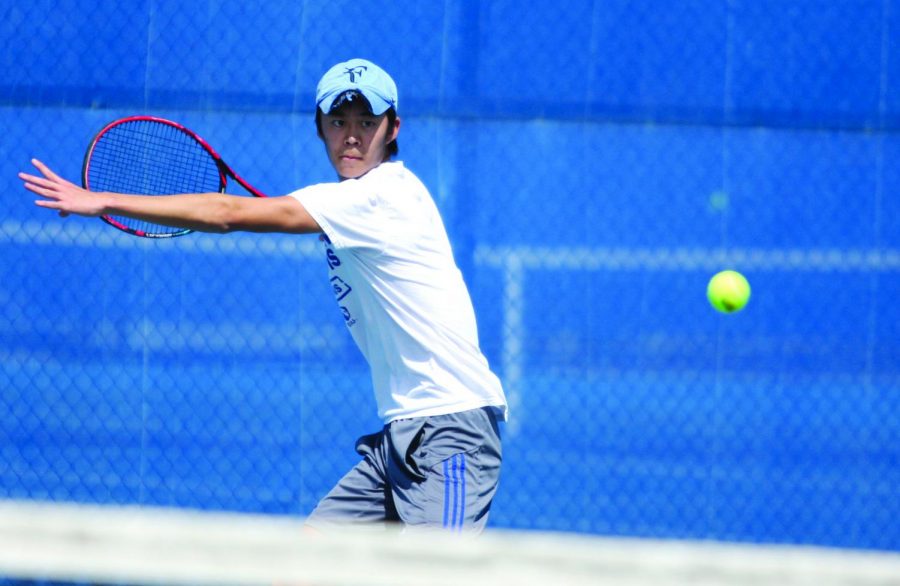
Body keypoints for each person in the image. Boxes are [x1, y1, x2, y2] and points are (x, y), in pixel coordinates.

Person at [20, 58, 507, 533]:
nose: (352, 134)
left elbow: (227, 213)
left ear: (393, 127)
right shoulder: (348, 205)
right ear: (320, 128)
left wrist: (105, 199)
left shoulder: (380, 195)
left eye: (367, 120)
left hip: (451, 433)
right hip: (399, 437)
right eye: (338, 120)